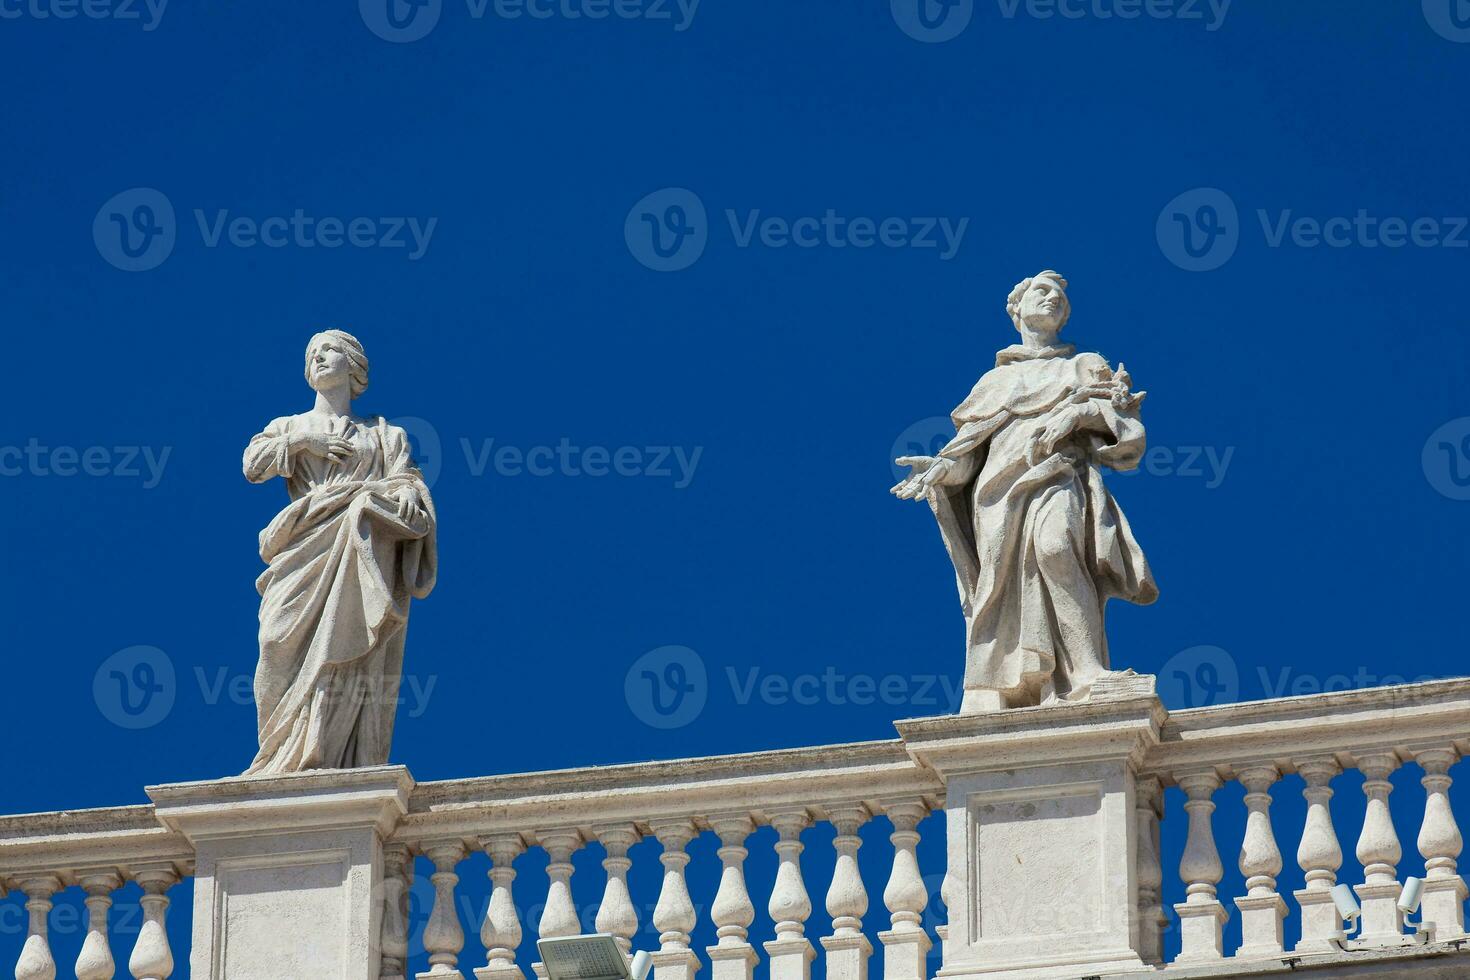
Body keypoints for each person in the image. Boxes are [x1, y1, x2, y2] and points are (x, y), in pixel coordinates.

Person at [892, 272, 1156, 711]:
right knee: (1004, 583)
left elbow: (1124, 431)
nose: (1053, 299)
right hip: (996, 495)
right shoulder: (991, 384)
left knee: (1055, 549)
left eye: (1060, 297)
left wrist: (1076, 416)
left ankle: (1087, 670)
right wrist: (941, 469)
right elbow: (970, 454)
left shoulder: (1084, 365)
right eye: (1042, 291)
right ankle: (1006, 682)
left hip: (1058, 474)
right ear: (1017, 308)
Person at [241, 330, 437, 773]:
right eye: (311, 354)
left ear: (354, 366)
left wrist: (407, 491)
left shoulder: (385, 434)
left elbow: (408, 480)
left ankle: (331, 754)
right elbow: (253, 465)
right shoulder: (289, 425)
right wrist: (302, 444)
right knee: (276, 641)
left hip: (360, 540)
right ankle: (278, 754)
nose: (318, 359)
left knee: (349, 642)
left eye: (328, 351)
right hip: (304, 540)